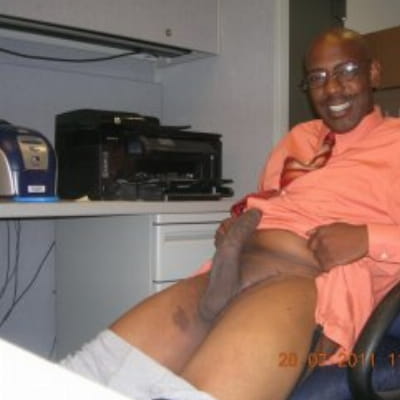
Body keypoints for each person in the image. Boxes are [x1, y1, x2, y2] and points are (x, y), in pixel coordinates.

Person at [61, 26, 400, 400]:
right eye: (317, 78)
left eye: (346, 71)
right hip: (233, 266)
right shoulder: (299, 138)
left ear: (373, 73)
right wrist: (238, 223)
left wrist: (368, 238)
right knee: (87, 378)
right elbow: (277, 200)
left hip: (308, 279)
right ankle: (224, 287)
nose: (332, 89)